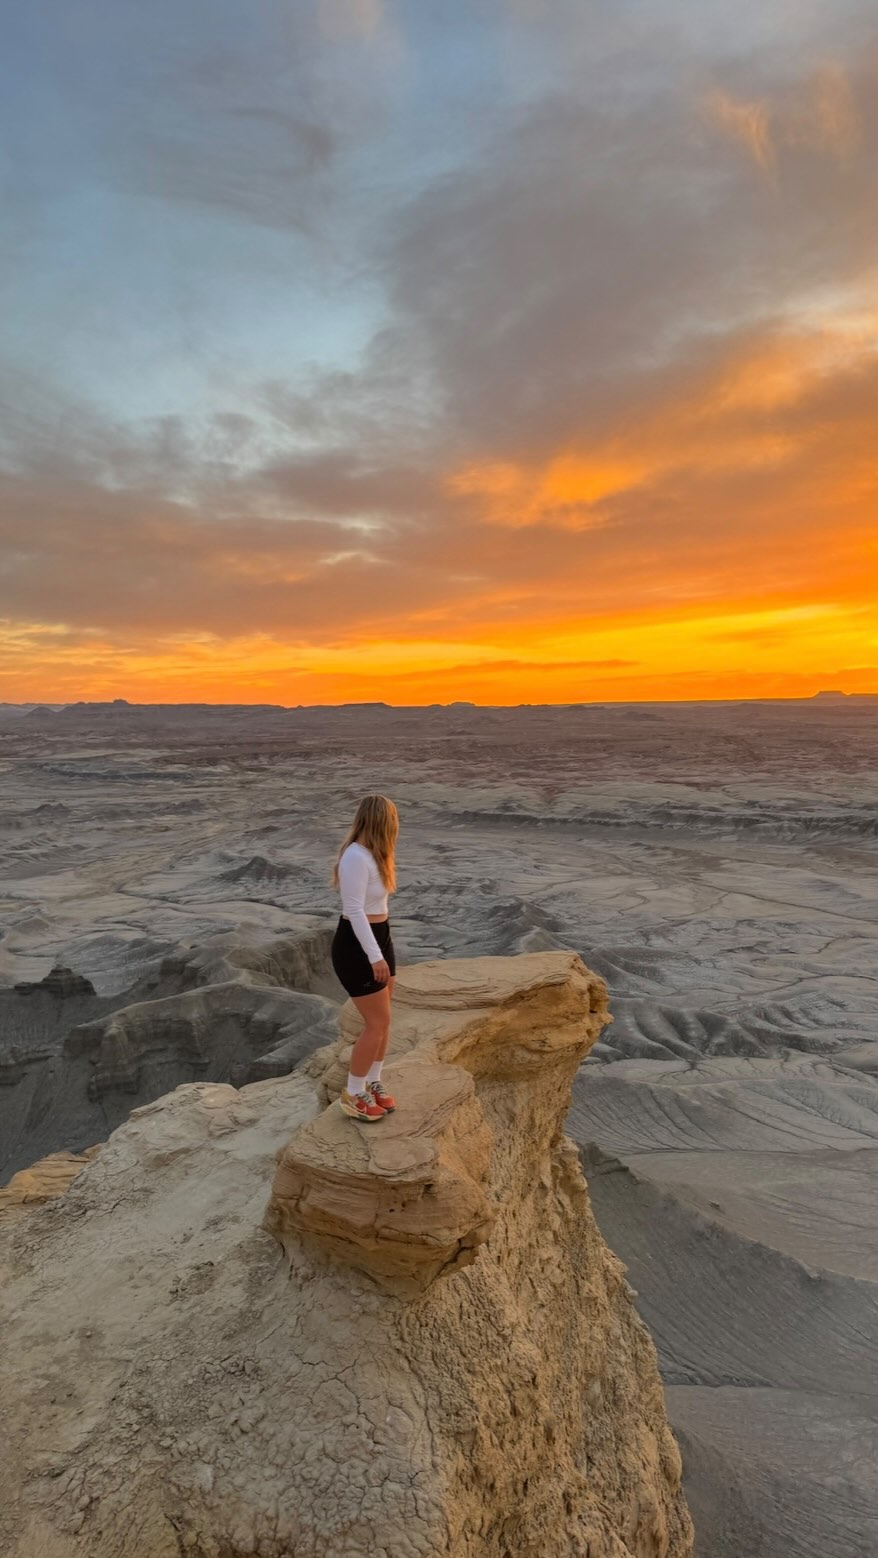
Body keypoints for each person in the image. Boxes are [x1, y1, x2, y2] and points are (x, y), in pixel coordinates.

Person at [330, 794, 399, 1122]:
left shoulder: (376, 855)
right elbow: (354, 910)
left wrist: (383, 949)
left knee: (385, 1020)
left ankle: (374, 1082)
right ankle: (354, 1092)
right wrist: (374, 956)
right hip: (357, 946)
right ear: (383, 821)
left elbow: (377, 908)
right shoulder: (356, 857)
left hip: (380, 937)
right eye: (393, 820)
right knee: (377, 1022)